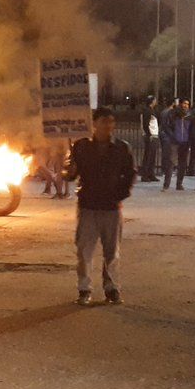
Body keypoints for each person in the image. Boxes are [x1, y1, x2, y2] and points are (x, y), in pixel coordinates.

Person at [63, 107, 135, 306]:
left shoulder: (122, 147)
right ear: (94, 124)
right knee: (84, 251)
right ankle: (84, 289)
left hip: (111, 207)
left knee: (112, 251)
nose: (108, 126)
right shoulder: (81, 147)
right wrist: (68, 171)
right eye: (104, 121)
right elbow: (70, 174)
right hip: (88, 206)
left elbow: (130, 173)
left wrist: (121, 193)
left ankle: (111, 289)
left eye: (111, 122)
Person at [163, 98, 192, 191]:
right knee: (171, 162)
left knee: (183, 164)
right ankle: (166, 184)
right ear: (180, 104)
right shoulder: (173, 113)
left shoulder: (190, 115)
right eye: (184, 103)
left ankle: (179, 184)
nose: (185, 105)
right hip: (174, 142)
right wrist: (173, 136)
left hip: (185, 142)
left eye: (187, 104)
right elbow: (166, 126)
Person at [157, 99, 179, 190]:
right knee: (171, 158)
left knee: (165, 154)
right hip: (170, 137)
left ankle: (163, 169)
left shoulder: (163, 112)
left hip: (164, 135)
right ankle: (168, 175)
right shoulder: (171, 113)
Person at [139, 96, 160, 182]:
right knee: (148, 156)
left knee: (152, 156)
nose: (156, 101)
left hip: (153, 135)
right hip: (151, 135)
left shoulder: (150, 110)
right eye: (154, 100)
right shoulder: (147, 111)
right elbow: (145, 124)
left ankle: (151, 174)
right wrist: (149, 134)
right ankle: (145, 175)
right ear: (151, 101)